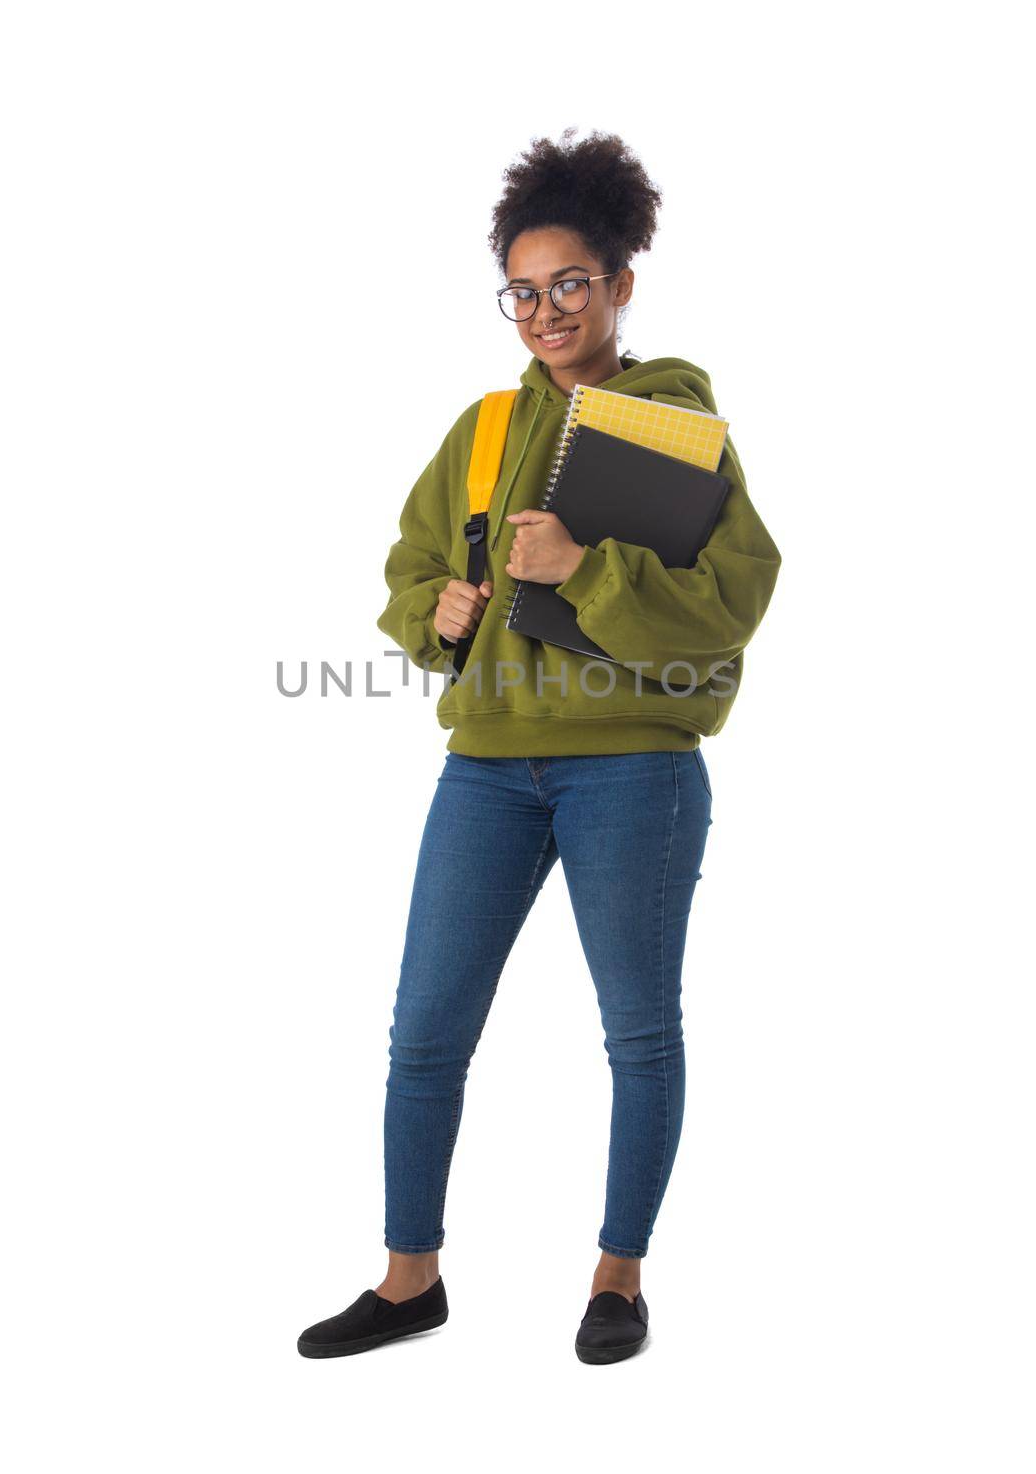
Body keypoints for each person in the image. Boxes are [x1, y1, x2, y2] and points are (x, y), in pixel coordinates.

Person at [298, 127, 782, 1364]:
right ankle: (411, 1280)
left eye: (570, 283)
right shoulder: (473, 432)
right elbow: (410, 567)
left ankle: (616, 1279)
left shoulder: (674, 424)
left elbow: (737, 593)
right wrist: (435, 613)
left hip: (635, 766)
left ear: (620, 284)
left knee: (635, 1030)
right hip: (486, 770)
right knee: (422, 1030)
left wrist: (588, 569)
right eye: (522, 289)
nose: (545, 310)